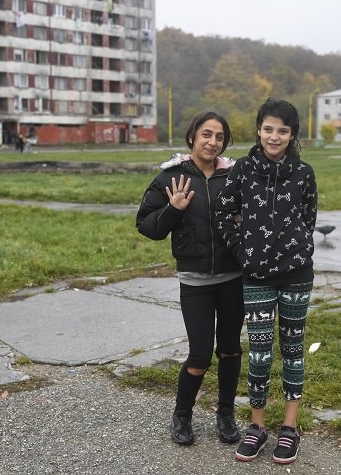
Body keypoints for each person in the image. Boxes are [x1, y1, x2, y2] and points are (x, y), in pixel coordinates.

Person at [215, 97, 317, 465]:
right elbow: (224, 213)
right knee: (259, 353)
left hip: (296, 276)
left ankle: (290, 427)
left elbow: (308, 218)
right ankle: (257, 427)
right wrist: (244, 251)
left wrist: (298, 249)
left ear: (292, 135)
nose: (275, 136)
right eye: (269, 129)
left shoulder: (303, 173)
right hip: (255, 276)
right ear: (258, 130)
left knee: (292, 349)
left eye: (283, 131)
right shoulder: (242, 170)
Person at [136, 111, 244, 447]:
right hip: (195, 283)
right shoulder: (171, 177)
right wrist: (174, 208)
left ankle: (226, 414)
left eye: (219, 137)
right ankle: (182, 415)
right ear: (192, 137)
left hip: (233, 278)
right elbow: (147, 226)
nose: (212, 142)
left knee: (230, 350)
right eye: (206, 135)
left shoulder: (234, 177)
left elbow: (255, 218)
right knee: (199, 355)